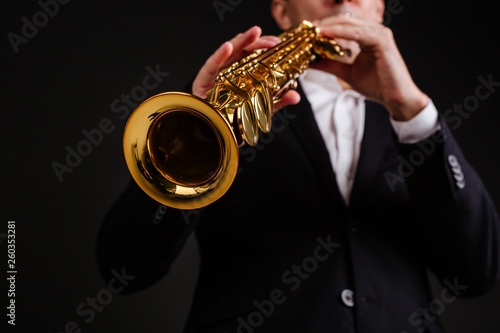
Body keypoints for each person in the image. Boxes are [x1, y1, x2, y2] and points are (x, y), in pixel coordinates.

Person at [97, 0, 500, 332]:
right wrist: (205, 127)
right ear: (282, 13)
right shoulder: (225, 103)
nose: (343, 0)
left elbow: (477, 272)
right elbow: (125, 268)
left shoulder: (412, 121)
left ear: (379, 12)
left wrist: (413, 112)